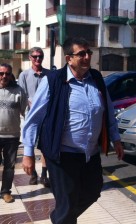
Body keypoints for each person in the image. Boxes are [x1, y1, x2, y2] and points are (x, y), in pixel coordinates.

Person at [22, 37, 124, 224]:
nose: (87, 57)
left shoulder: (97, 79)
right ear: (69, 58)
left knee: (93, 192)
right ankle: (64, 218)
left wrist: (115, 139)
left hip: (90, 154)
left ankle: (61, 218)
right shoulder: (53, 80)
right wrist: (28, 152)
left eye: (89, 53)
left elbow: (108, 110)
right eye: (81, 54)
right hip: (63, 156)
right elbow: (34, 118)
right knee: (67, 202)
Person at [18, 47, 50, 187]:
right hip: (30, 115)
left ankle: (44, 175)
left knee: (45, 146)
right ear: (30, 57)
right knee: (29, 144)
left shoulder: (49, 74)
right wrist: (29, 105)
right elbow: (22, 95)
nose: (38, 59)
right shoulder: (24, 75)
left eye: (40, 56)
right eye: (35, 56)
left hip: (46, 116)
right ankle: (33, 174)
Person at [0, 63, 27, 203]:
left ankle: (5, 192)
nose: (4, 76)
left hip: (12, 136)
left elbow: (26, 112)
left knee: (9, 166)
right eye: (1, 73)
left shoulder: (19, 91)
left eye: (7, 73)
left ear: (11, 75)